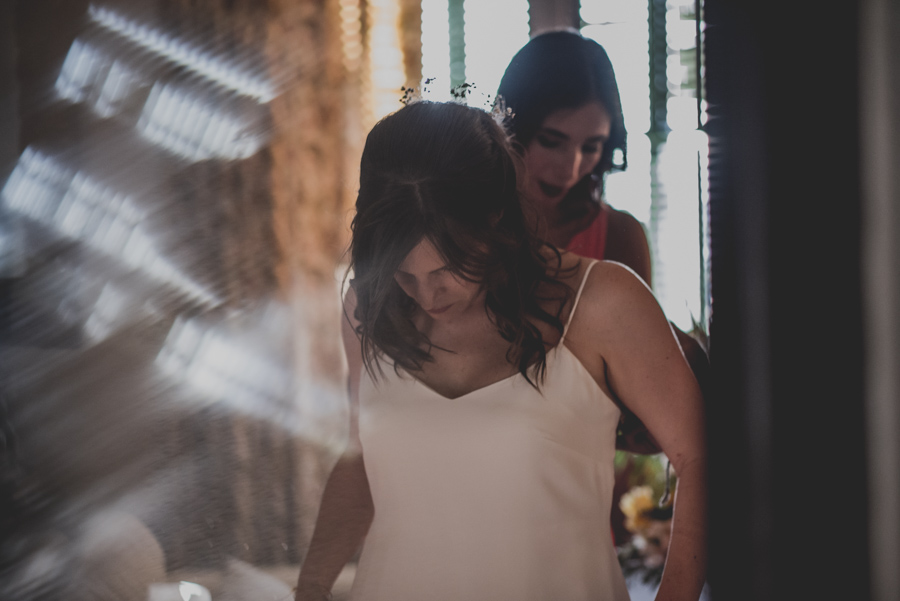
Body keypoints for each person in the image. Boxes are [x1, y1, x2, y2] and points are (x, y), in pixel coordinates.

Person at [294, 101, 706, 601]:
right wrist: (311, 586)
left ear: (495, 220)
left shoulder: (602, 303)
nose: (427, 295)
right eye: (406, 275)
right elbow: (362, 462)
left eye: (448, 269)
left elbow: (701, 455)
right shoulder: (370, 306)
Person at [497, 29, 709, 454]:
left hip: (579, 473)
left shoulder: (620, 236)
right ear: (511, 126)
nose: (571, 166)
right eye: (552, 141)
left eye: (592, 146)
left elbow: (632, 388)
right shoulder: (471, 229)